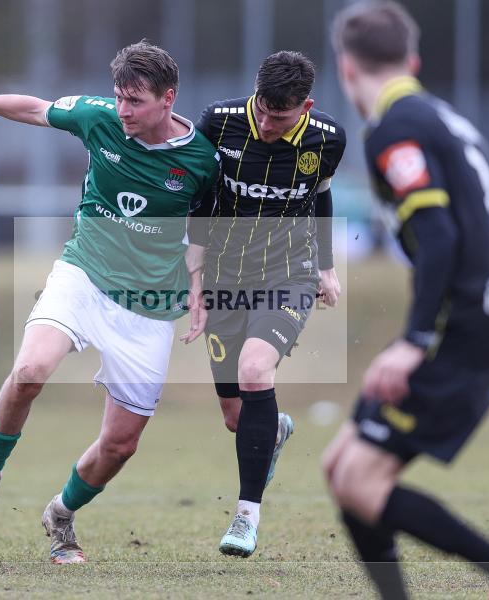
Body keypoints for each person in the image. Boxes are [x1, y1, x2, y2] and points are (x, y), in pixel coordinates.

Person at [0, 40, 218, 564]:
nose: (123, 110)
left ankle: (61, 513)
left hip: (148, 305)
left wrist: (198, 283)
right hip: (84, 272)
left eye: (136, 101)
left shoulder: (201, 161)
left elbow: (205, 228)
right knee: (31, 368)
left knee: (121, 445)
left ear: (168, 98)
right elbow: (33, 107)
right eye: (119, 97)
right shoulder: (98, 119)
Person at [326, 3, 489, 599]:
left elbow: (440, 237)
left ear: (346, 67)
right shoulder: (453, 123)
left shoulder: (394, 129)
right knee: (341, 468)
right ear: (413, 60)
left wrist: (414, 341)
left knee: (359, 480)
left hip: (462, 328)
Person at [189, 51, 346, 557]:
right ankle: (274, 427)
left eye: (280, 118)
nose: (267, 124)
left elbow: (320, 196)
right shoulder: (219, 121)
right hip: (223, 278)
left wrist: (324, 265)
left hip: (287, 275)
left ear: (306, 107)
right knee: (238, 418)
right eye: (262, 111)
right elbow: (198, 193)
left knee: (257, 371)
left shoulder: (328, 138)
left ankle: (245, 518)